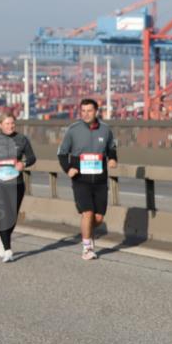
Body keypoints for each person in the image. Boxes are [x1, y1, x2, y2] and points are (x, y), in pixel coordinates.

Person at [57, 98, 118, 260]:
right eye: (83, 111)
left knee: (98, 218)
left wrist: (112, 158)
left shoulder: (105, 130)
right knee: (88, 212)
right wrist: (68, 168)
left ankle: (87, 233)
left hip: (100, 179)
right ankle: (87, 248)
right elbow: (62, 153)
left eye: (89, 111)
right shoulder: (73, 130)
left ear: (96, 111)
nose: (86, 114)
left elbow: (111, 148)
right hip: (80, 178)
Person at [0, 112, 37, 262]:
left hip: (16, 182)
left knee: (12, 216)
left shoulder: (22, 139)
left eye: (12, 123)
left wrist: (23, 164)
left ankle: (1, 237)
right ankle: (7, 249)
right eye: (6, 123)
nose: (10, 126)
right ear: (0, 125)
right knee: (4, 213)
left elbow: (32, 158)